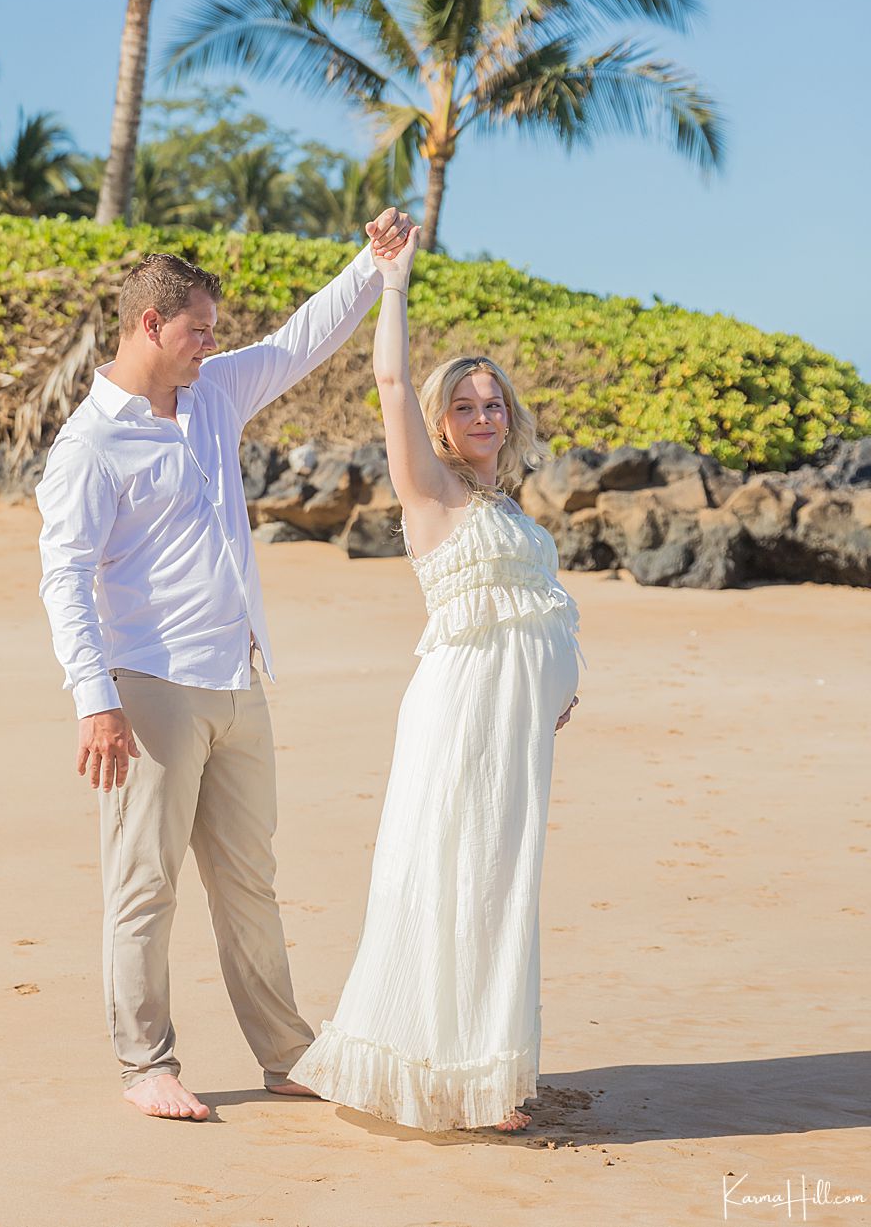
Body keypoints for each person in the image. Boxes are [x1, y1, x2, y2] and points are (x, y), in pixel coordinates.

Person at [34, 208, 413, 1121]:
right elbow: (63, 578)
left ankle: (288, 1053)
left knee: (250, 879)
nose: (213, 341)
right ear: (148, 325)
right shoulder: (89, 444)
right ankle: (146, 1064)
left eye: (214, 328)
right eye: (198, 328)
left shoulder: (213, 395)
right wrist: (96, 700)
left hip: (238, 682)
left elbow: (299, 342)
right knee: (146, 883)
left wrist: (370, 263)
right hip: (149, 689)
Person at [287, 223, 586, 1133]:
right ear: (442, 418)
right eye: (465, 404)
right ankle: (449, 1070)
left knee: (501, 881)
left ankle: (488, 1067)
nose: (484, 415)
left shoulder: (505, 503)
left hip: (516, 724)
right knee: (452, 873)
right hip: (462, 717)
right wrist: (394, 284)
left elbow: (534, 603)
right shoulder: (433, 490)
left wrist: (557, 680)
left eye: (495, 402)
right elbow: (386, 383)